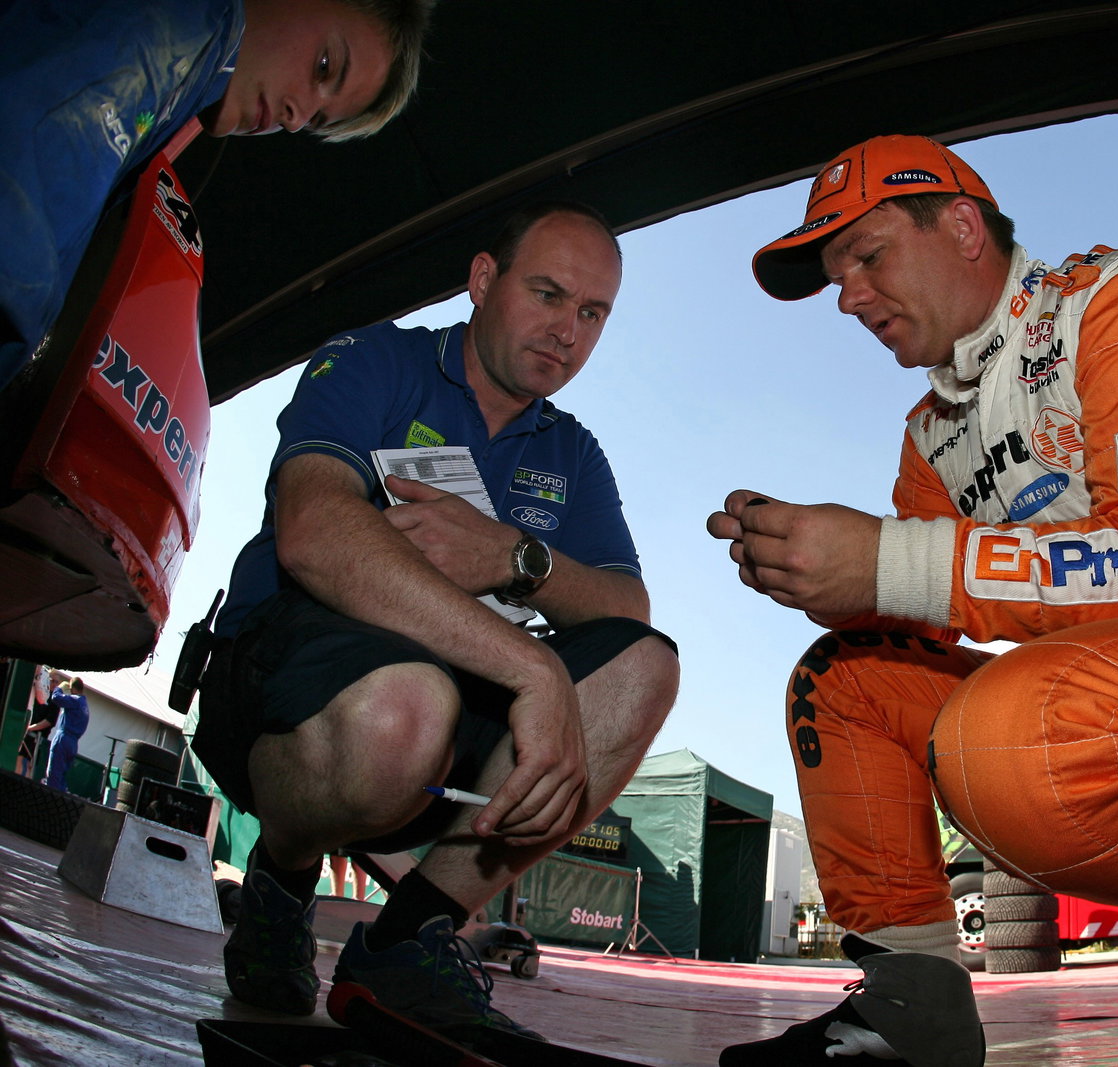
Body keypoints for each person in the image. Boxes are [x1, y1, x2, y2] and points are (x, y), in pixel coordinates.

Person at [707, 135, 1118, 1067]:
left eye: (867, 257)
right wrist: (820, 573)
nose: (849, 298)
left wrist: (886, 562)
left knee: (1012, 737)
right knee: (844, 680)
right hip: (1111, 702)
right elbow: (928, 596)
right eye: (835, 278)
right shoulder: (930, 435)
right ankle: (912, 1008)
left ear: (964, 227)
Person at [193, 199, 679, 1044]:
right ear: (483, 280)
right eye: (548, 294)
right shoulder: (376, 358)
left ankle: (409, 936)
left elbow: (628, 610)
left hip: (452, 723)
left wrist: (515, 556)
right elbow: (311, 530)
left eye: (593, 313)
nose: (567, 332)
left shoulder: (573, 451)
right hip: (287, 684)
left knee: (646, 668)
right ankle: (283, 870)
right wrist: (532, 668)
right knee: (405, 708)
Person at [0, 0, 435, 393]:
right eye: (324, 66)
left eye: (315, 120)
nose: (295, 117)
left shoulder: (179, 88)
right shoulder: (189, 27)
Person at [42, 674, 91, 793]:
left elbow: (56, 698)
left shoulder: (75, 700)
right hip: (73, 743)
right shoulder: (85, 705)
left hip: (63, 739)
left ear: (72, 688)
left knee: (53, 774)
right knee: (62, 778)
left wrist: (59, 688)